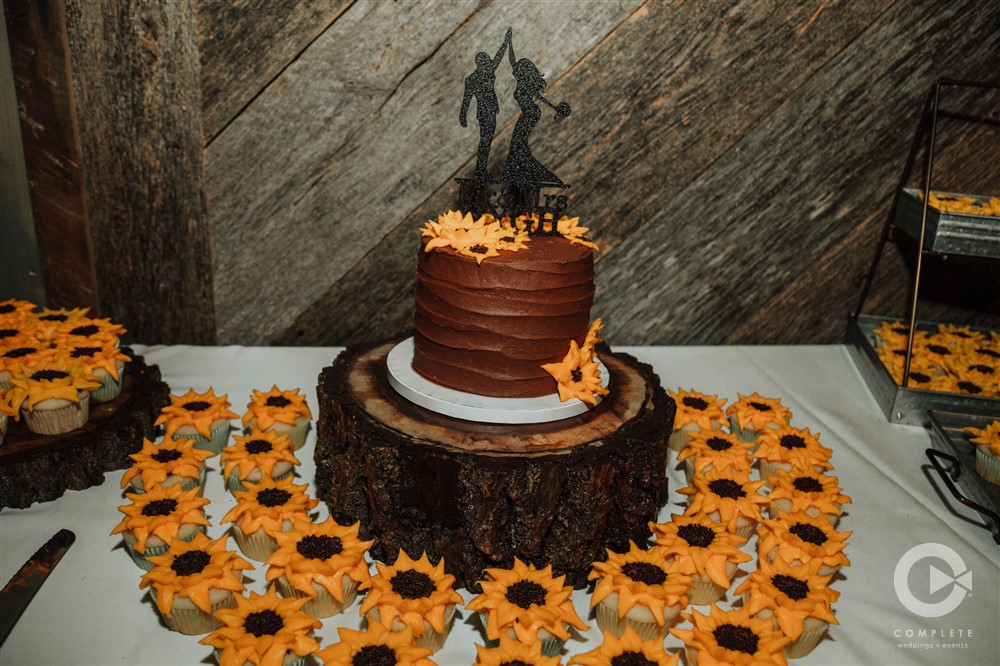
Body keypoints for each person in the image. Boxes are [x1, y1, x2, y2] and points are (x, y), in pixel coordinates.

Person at [501, 33, 563, 186]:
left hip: (530, 113)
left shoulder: (525, 84)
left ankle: (515, 173)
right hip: (530, 113)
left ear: (524, 71)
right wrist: (509, 43)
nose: (517, 70)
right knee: (518, 144)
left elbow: (539, 98)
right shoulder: (523, 82)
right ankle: (515, 173)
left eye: (521, 69)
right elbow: (512, 61)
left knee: (518, 143)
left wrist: (555, 108)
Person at [460, 28, 512, 181]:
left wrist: (505, 42)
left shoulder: (485, 72)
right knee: (485, 141)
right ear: (480, 64)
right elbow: (467, 99)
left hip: (490, 111)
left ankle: (480, 169)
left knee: (486, 140)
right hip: (485, 113)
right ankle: (480, 170)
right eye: (486, 62)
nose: (489, 63)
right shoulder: (474, 78)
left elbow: (498, 57)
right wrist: (462, 115)